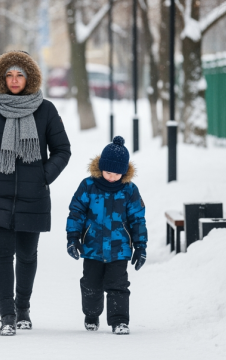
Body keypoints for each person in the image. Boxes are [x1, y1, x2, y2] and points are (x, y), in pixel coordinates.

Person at [0, 51, 71, 336]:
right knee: (1, 255)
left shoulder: (45, 110)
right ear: (1, 77)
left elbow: (62, 149)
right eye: (9, 75)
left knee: (26, 255)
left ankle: (23, 309)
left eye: (19, 74)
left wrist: (43, 177)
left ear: (30, 77)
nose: (14, 80)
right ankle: (7, 315)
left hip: (32, 196)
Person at [66, 136, 148, 335]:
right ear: (100, 167)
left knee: (118, 285)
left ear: (124, 172)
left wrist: (141, 246)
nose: (112, 177)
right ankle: (92, 314)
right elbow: (76, 212)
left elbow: (138, 219)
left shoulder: (129, 191)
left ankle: (119, 320)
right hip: (93, 247)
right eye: (108, 172)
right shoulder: (88, 186)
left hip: (119, 249)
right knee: (91, 284)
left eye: (117, 174)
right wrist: (73, 237)